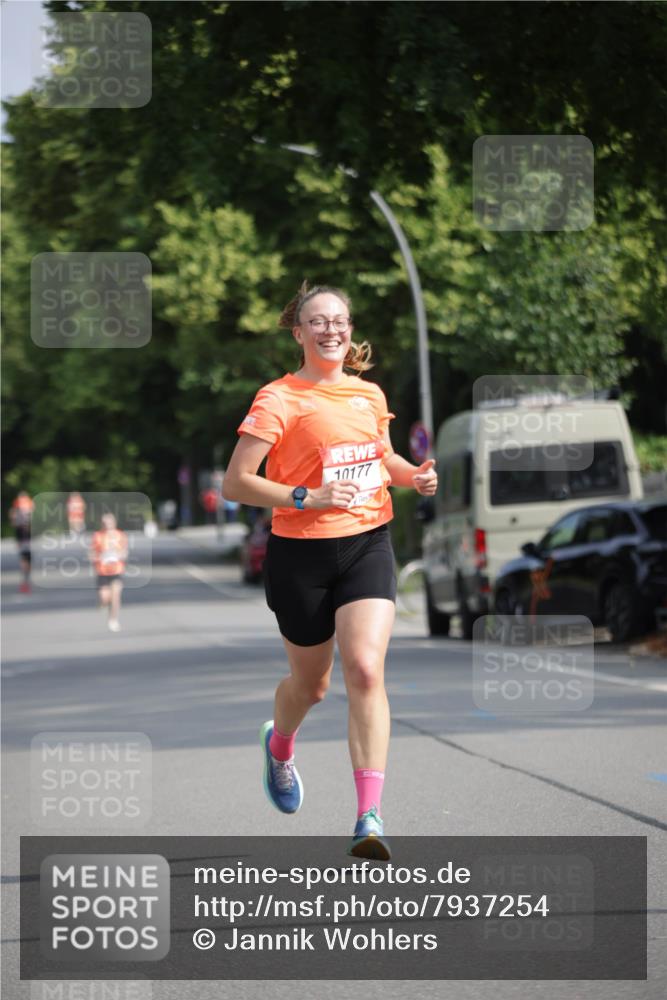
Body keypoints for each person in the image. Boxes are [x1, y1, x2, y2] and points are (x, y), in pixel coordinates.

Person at [222, 281, 437, 860]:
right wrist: (304, 497)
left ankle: (369, 815)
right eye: (318, 321)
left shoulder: (368, 395)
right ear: (299, 332)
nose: (331, 330)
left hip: (368, 542)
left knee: (365, 669)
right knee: (312, 685)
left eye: (339, 320)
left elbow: (380, 456)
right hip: (301, 553)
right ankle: (281, 746)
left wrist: (411, 474)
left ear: (350, 329)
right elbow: (236, 482)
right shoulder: (278, 399)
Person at [90, 513, 128, 632]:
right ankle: (103, 603)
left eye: (109, 523)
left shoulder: (120, 535)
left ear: (114, 523)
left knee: (116, 595)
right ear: (102, 524)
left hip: (117, 570)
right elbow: (91, 553)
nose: (107, 525)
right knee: (105, 597)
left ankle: (113, 619)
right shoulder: (97, 536)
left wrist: (119, 555)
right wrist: (99, 557)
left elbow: (125, 552)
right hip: (102, 571)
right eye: (105, 523)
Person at [10, 491, 34, 594]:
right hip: (25, 533)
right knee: (26, 557)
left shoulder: (18, 502)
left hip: (22, 532)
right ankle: (26, 578)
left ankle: (25, 577)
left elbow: (13, 515)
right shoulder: (28, 502)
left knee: (24, 556)